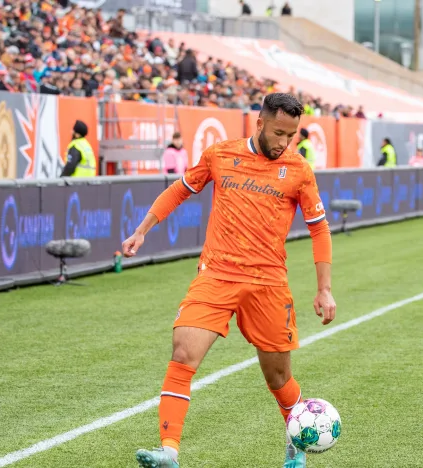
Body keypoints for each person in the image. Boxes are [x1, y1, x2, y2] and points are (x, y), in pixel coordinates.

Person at [124, 93, 336, 468]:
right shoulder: (220, 155)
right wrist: (143, 229)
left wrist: (324, 288)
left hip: (268, 282)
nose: (284, 142)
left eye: (291, 135)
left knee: (278, 377)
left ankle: (295, 441)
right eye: (278, 132)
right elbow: (180, 189)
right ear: (259, 123)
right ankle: (169, 451)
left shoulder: (299, 170)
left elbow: (319, 229)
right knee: (183, 351)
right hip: (217, 273)